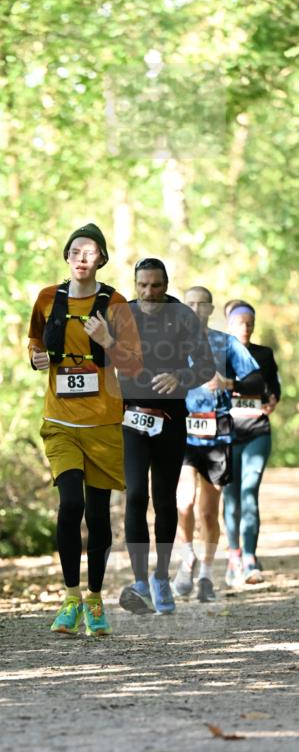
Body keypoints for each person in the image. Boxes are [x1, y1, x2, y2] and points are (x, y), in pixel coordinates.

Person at [28, 222, 142, 637]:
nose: (82, 257)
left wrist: (108, 340)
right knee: (70, 503)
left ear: (102, 259)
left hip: (104, 421)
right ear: (67, 256)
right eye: (76, 250)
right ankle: (70, 597)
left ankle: (95, 599)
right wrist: (37, 359)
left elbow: (133, 364)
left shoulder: (115, 303)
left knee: (97, 513)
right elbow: (36, 343)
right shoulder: (46, 299)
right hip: (60, 421)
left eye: (90, 252)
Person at [117, 259, 215, 615]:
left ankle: (160, 576)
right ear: (135, 284)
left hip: (170, 420)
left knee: (163, 499)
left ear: (166, 284)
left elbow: (205, 366)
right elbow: (99, 355)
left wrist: (180, 377)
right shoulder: (122, 314)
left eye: (156, 286)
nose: (149, 293)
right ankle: (140, 580)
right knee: (135, 496)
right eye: (142, 285)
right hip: (130, 419)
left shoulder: (182, 317)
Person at [173, 287, 263, 602]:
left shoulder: (226, 343)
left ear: (210, 309)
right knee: (182, 504)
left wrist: (228, 383)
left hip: (217, 434)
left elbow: (256, 381)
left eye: (202, 304)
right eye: (190, 304)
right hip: (182, 433)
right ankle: (186, 559)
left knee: (208, 513)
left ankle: (206, 575)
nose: (196, 309)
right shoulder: (171, 343)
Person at [222, 301, 281, 585]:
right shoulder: (220, 354)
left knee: (249, 493)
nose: (245, 327)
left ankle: (249, 557)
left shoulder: (264, 354)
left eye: (250, 322)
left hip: (258, 430)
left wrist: (271, 400)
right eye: (240, 322)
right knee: (231, 498)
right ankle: (233, 554)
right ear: (230, 325)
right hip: (227, 434)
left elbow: (273, 388)